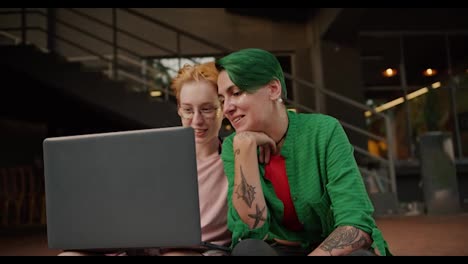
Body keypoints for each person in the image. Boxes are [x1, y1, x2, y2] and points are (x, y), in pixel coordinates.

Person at [215, 48, 392, 256]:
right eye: (222, 99)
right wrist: (244, 147)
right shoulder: (234, 146)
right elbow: (253, 227)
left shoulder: (324, 131)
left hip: (330, 249)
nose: (227, 108)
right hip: (278, 250)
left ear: (273, 89)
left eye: (236, 93)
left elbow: (356, 223)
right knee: (248, 250)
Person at [59, 61, 231, 256]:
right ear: (179, 110)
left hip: (197, 251)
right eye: (188, 110)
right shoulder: (154, 157)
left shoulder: (235, 156)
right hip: (141, 247)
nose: (197, 120)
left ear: (222, 109)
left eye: (207, 109)